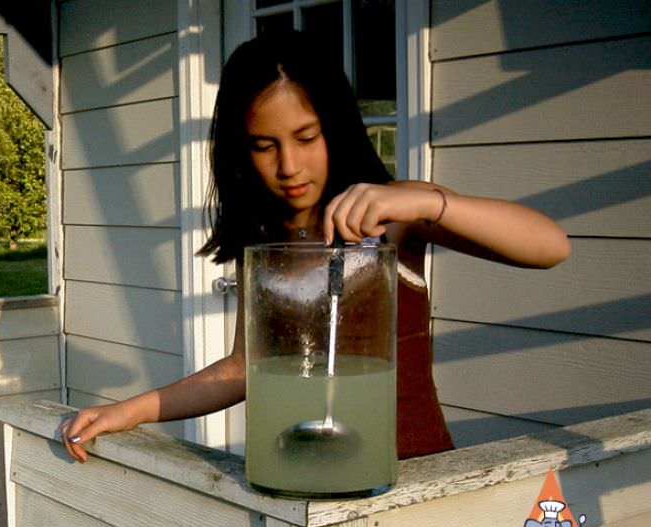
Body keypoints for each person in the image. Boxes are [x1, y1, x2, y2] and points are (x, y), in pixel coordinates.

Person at [61, 31, 570, 463]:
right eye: (265, 145)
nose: (289, 166)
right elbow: (242, 369)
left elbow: (550, 247)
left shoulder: (394, 216)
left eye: (306, 138)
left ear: (336, 127)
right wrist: (126, 411)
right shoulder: (263, 241)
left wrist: (426, 200)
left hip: (410, 477)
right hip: (296, 480)